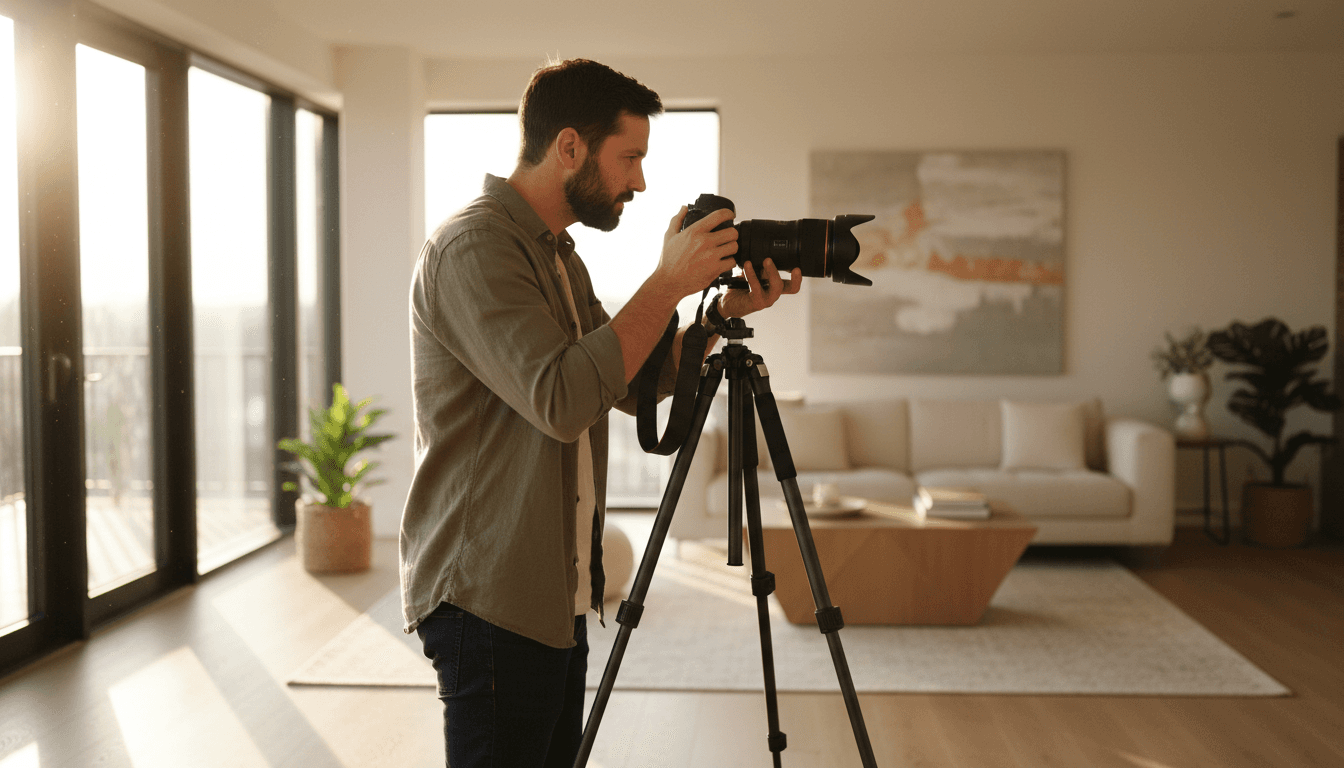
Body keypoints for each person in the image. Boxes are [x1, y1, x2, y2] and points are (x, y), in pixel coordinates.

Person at [400, 58, 801, 768]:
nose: (640, 182)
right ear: (570, 147)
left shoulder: (559, 256)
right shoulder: (474, 248)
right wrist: (666, 281)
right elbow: (561, 400)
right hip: (491, 596)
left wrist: (713, 315)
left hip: (555, 593)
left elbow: (626, 384)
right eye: (630, 157)